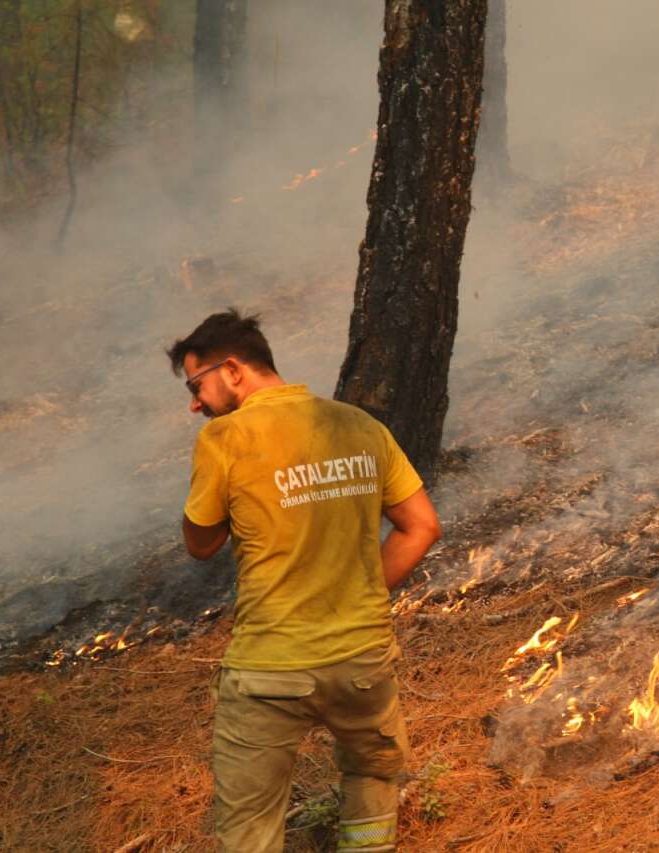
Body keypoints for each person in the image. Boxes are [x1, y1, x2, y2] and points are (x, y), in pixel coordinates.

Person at [167, 308, 441, 852]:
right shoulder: (360, 425)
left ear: (234, 370)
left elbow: (201, 545)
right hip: (363, 663)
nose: (196, 402)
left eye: (197, 384)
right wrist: (358, 594)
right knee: (371, 779)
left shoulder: (226, 437)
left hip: (271, 672)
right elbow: (422, 527)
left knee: (251, 828)